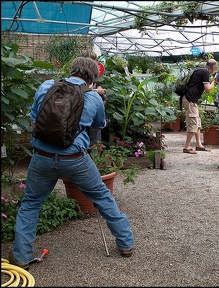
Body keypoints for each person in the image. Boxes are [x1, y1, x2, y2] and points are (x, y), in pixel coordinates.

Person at [8, 57, 134, 270]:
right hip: (75, 160)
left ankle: (21, 256)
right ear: (92, 79)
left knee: (31, 203)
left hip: (41, 157)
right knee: (103, 197)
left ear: (71, 70)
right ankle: (125, 244)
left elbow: (33, 118)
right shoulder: (93, 97)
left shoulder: (47, 86)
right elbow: (98, 126)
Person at [182, 59, 218, 154]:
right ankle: (187, 147)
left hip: (190, 99)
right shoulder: (205, 71)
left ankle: (199, 145)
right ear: (213, 67)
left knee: (197, 122)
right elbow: (208, 89)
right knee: (193, 123)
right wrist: (214, 81)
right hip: (190, 100)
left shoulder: (200, 69)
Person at [80, 50, 107, 144]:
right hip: (85, 120)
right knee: (93, 142)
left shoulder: (89, 78)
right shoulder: (83, 78)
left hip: (86, 120)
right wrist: (97, 92)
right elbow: (80, 89)